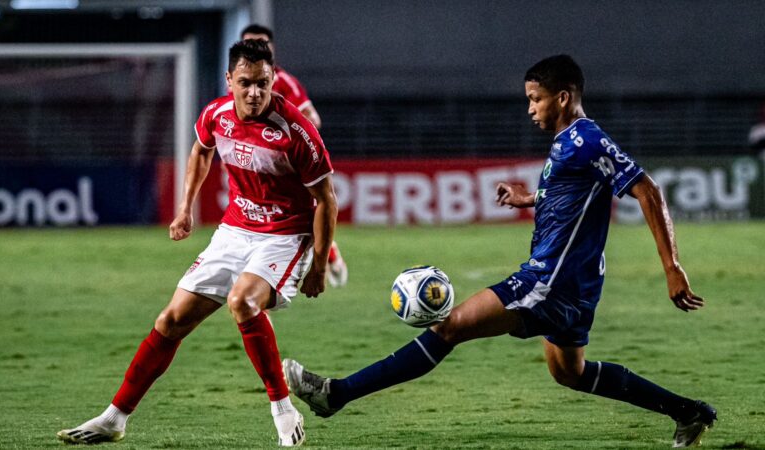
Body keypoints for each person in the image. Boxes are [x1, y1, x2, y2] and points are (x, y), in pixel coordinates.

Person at [283, 55, 717, 448]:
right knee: (570, 372)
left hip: (550, 280)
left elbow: (647, 190)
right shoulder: (570, 142)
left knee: (449, 327)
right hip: (576, 284)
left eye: (536, 99)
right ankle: (688, 412)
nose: (530, 108)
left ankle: (336, 394)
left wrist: (672, 266)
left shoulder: (586, 139)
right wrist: (531, 199)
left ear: (563, 98)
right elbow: (578, 196)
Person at [57, 39, 337, 447]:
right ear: (229, 81)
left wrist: (319, 265)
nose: (254, 92)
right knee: (170, 321)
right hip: (235, 230)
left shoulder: (297, 132)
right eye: (245, 83)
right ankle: (114, 418)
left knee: (242, 301)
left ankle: (282, 407)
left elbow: (326, 199)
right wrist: (185, 207)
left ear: (273, 79)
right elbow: (201, 151)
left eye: (262, 83)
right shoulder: (216, 115)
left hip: (285, 235)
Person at [240, 23, 348, 288]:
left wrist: (285, 134)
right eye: (248, 44)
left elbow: (313, 119)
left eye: (261, 43)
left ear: (272, 49)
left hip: (287, 164)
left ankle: (324, 255)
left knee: (305, 213)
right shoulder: (239, 80)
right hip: (255, 163)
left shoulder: (284, 81)